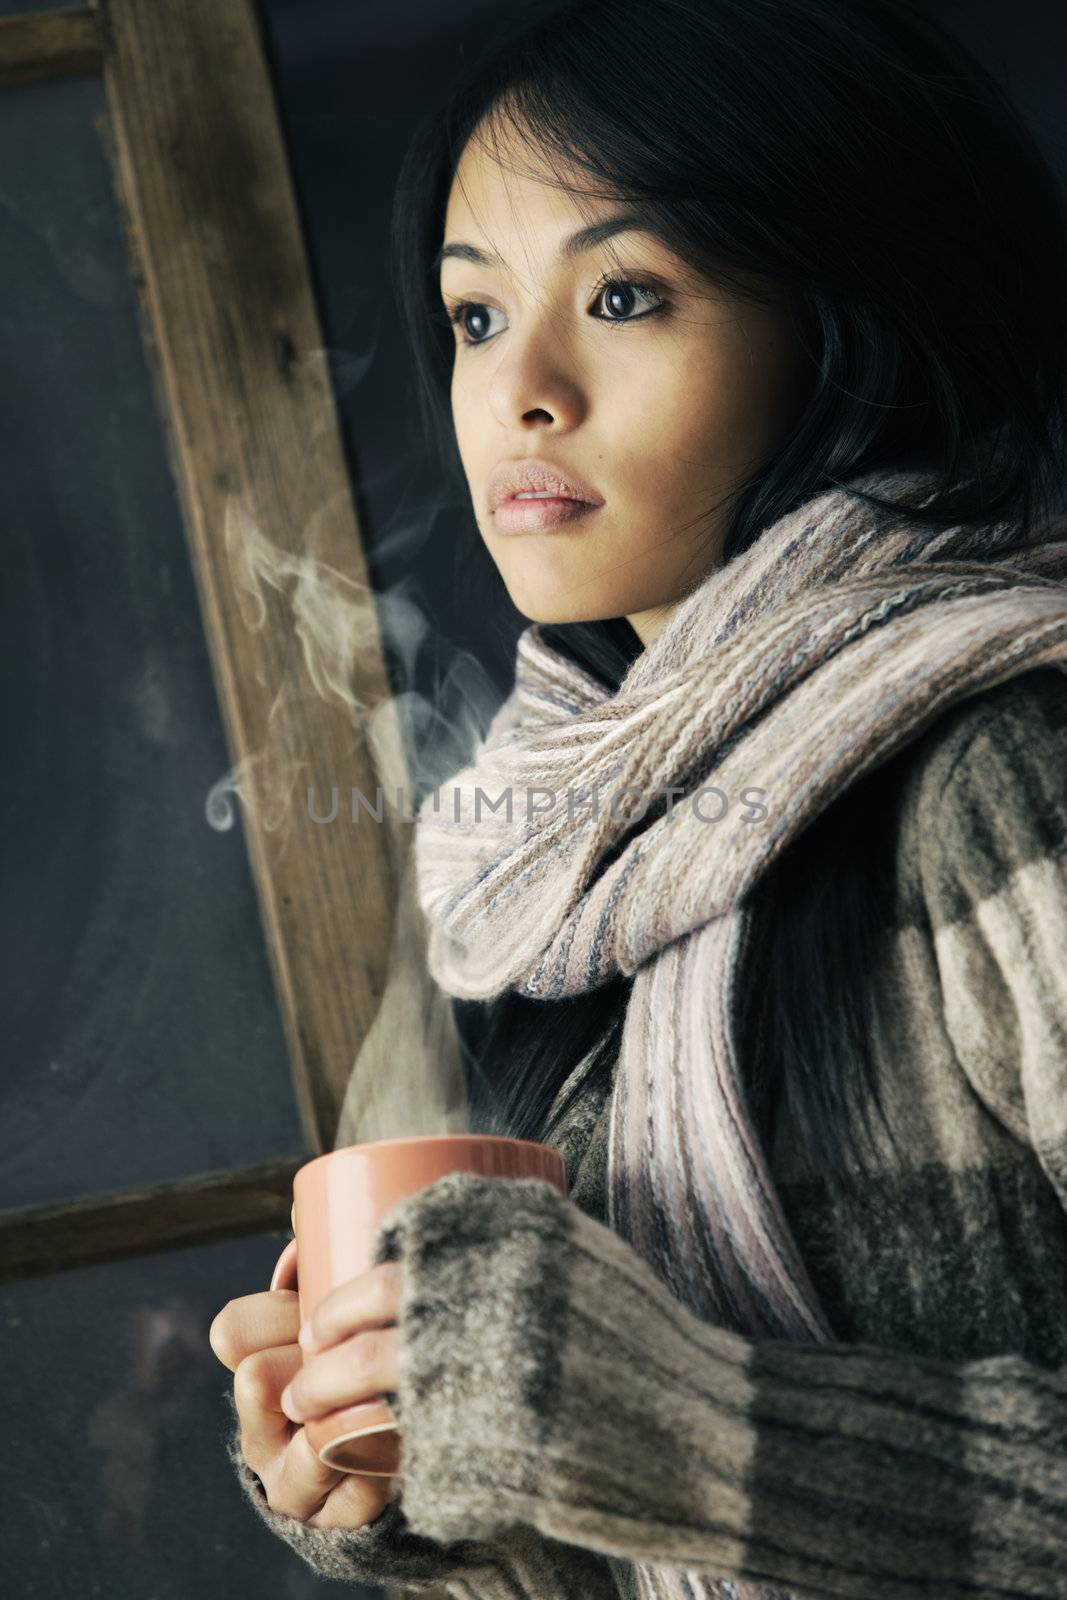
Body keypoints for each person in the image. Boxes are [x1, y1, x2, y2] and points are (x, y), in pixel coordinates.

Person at [209, 1, 1067, 1595]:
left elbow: (686, 1451)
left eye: (624, 294)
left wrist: (665, 1420)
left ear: (848, 320)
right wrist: (415, 1474)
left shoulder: (1006, 774)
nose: (521, 389)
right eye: (472, 318)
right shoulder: (558, 873)